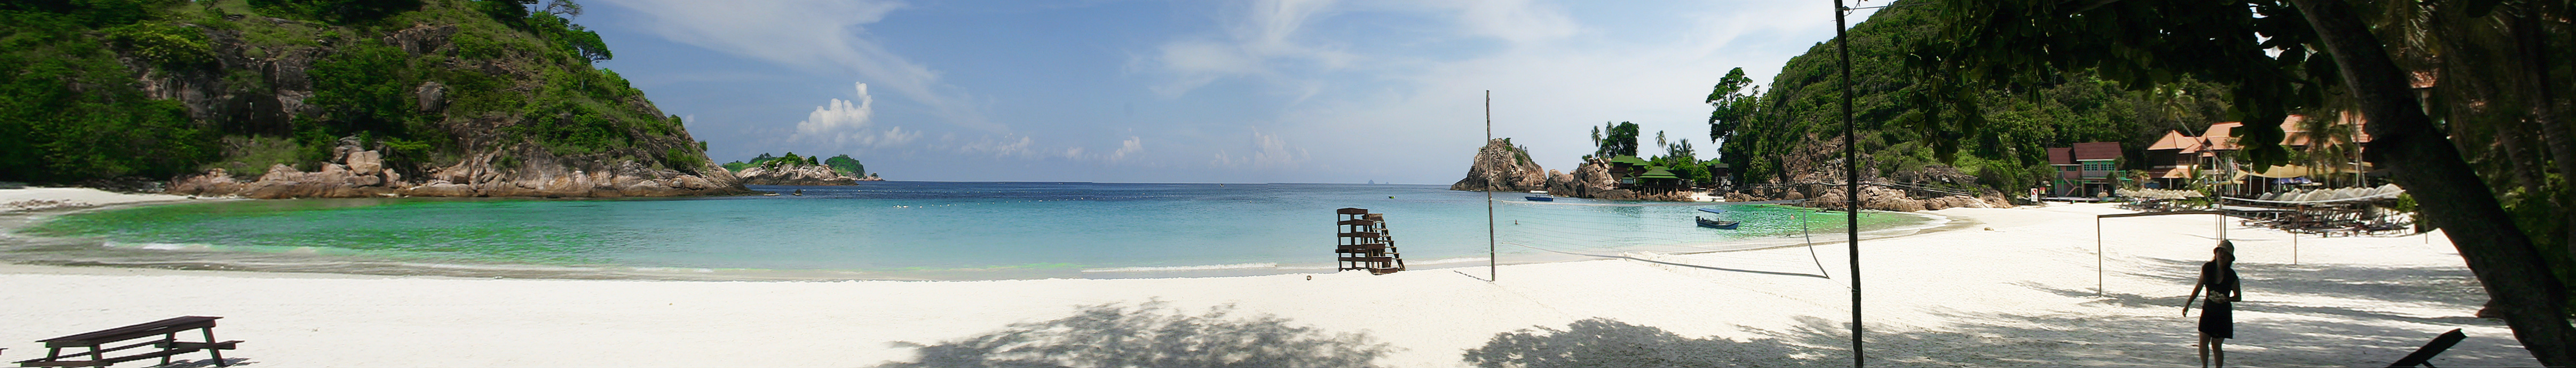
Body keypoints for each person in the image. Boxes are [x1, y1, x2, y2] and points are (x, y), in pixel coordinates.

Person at [2185, 241, 2241, 367]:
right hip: (2208, 310)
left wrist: (2227, 299)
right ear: (2216, 253)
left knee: (2216, 345)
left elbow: (2238, 297)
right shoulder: (2208, 269)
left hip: (2223, 314)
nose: (2222, 255)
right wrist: (2188, 304)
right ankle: (2204, 366)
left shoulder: (2232, 276)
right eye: (2220, 251)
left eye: (2226, 254)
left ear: (2230, 259)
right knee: (2203, 341)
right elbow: (2199, 287)